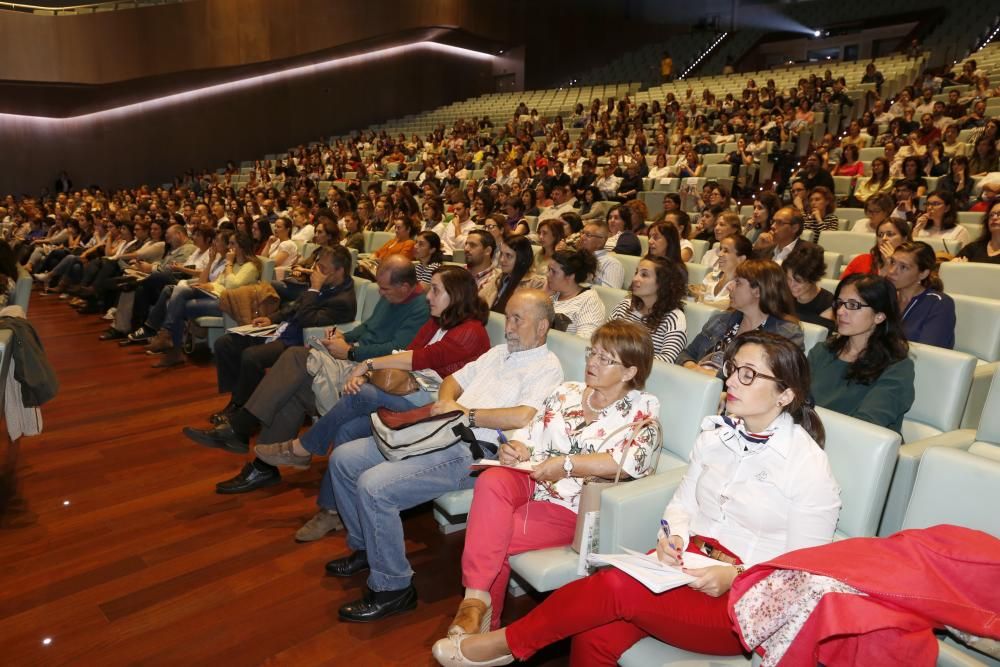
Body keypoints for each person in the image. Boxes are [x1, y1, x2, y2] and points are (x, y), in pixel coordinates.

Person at [431, 331, 841, 666]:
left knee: (613, 586)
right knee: (594, 631)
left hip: (744, 600)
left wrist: (735, 575)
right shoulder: (715, 436)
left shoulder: (807, 465)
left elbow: (804, 570)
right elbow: (682, 504)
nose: (731, 380)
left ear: (785, 394)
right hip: (685, 567)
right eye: (734, 369)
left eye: (749, 375)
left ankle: (507, 643)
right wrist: (674, 537)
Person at [328, 289, 564, 622]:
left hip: (474, 452)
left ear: (541, 327)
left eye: (517, 319)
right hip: (440, 431)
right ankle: (368, 546)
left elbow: (524, 416)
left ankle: (393, 588)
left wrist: (466, 414)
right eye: (507, 316)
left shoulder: (547, 368)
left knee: (374, 486)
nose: (508, 327)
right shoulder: (498, 353)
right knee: (344, 459)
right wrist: (449, 404)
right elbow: (452, 380)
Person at [445, 320, 660, 638]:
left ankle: (479, 631)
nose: (592, 362)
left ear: (630, 372)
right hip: (533, 476)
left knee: (492, 538)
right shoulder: (567, 392)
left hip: (573, 503)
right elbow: (530, 437)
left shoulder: (643, 407)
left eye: (605, 358)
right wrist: (515, 448)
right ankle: (475, 603)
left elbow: (631, 463)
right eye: (592, 352)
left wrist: (567, 465)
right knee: (491, 480)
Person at [255, 266, 492, 542]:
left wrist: (366, 365)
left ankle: (303, 447)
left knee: (364, 394)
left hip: (440, 410)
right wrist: (368, 372)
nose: (429, 296)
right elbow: (407, 355)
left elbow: (420, 359)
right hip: (412, 396)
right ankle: (332, 512)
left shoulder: (471, 331)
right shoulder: (437, 321)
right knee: (347, 431)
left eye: (436, 290)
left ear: (457, 294)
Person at [182, 255, 429, 493]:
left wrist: (352, 351)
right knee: (294, 388)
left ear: (405, 286)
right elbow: (368, 326)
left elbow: (398, 349)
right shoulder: (392, 296)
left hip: (370, 370)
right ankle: (261, 464)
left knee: (295, 357)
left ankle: (243, 430)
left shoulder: (421, 308)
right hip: (353, 357)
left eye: (385, 289)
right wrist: (344, 337)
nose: (380, 293)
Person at [207, 245, 357, 424]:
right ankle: (239, 399)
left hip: (298, 341)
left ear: (339, 270)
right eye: (318, 266)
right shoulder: (328, 282)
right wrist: (271, 318)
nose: (317, 272)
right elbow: (295, 306)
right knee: (224, 344)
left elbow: (305, 319)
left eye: (323, 269)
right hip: (282, 329)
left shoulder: (343, 300)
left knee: (251, 357)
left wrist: (314, 289)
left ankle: (244, 411)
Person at [808, 274, 915, 434]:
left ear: (879, 316)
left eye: (853, 305)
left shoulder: (896, 367)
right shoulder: (823, 351)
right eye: (839, 303)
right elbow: (794, 400)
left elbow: (867, 426)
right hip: (808, 440)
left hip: (857, 449)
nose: (841, 311)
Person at [147, 231, 262, 368]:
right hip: (216, 296)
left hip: (229, 304)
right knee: (181, 293)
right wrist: (206, 286)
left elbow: (232, 286)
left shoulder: (250, 266)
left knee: (181, 304)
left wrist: (229, 263)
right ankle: (168, 340)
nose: (229, 247)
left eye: (233, 244)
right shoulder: (234, 264)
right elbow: (219, 283)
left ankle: (170, 343)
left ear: (242, 246)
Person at [677, 259, 804, 377]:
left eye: (738, 282)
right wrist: (693, 368)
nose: (729, 286)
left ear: (758, 291)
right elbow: (686, 354)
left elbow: (772, 382)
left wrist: (716, 377)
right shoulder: (720, 320)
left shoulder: (786, 334)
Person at [610, 256, 687, 363]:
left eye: (644, 275)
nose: (635, 279)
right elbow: (604, 340)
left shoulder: (674, 318)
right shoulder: (625, 306)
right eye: (636, 273)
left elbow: (668, 359)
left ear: (662, 283)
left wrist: (624, 359)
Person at [887, 241, 956, 349]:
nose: (891, 271)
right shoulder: (885, 296)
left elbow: (929, 351)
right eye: (892, 262)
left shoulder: (939, 303)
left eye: (903, 267)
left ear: (923, 274)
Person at [546, 249, 606, 339]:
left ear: (570, 276)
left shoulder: (589, 300)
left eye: (553, 272)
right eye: (548, 270)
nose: (547, 275)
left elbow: (585, 342)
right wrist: (543, 296)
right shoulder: (552, 294)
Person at [841, 215, 912, 278]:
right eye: (880, 235)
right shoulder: (861, 260)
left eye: (890, 234)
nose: (884, 238)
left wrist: (891, 263)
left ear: (904, 239)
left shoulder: (910, 266)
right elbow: (842, 288)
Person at [783, 243, 834, 329]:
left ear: (813, 278)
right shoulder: (783, 295)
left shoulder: (828, 306)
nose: (791, 285)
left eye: (798, 281)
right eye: (788, 279)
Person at [491, 235, 546, 314]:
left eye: (508, 256)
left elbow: (528, 314)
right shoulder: (498, 277)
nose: (502, 260)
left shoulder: (536, 283)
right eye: (501, 254)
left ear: (522, 258)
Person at [697, 233, 752, 308]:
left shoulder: (742, 287)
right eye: (720, 249)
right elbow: (697, 305)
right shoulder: (710, 276)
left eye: (726, 251)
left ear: (741, 259)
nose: (719, 254)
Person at [577, 221, 624, 289]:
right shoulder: (575, 258)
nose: (582, 237)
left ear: (601, 241)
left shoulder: (611, 264)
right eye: (582, 233)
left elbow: (610, 294)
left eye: (588, 235)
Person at [464, 229, 501, 305]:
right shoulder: (457, 272)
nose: (466, 249)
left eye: (473, 245)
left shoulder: (497, 281)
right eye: (466, 244)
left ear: (487, 251)